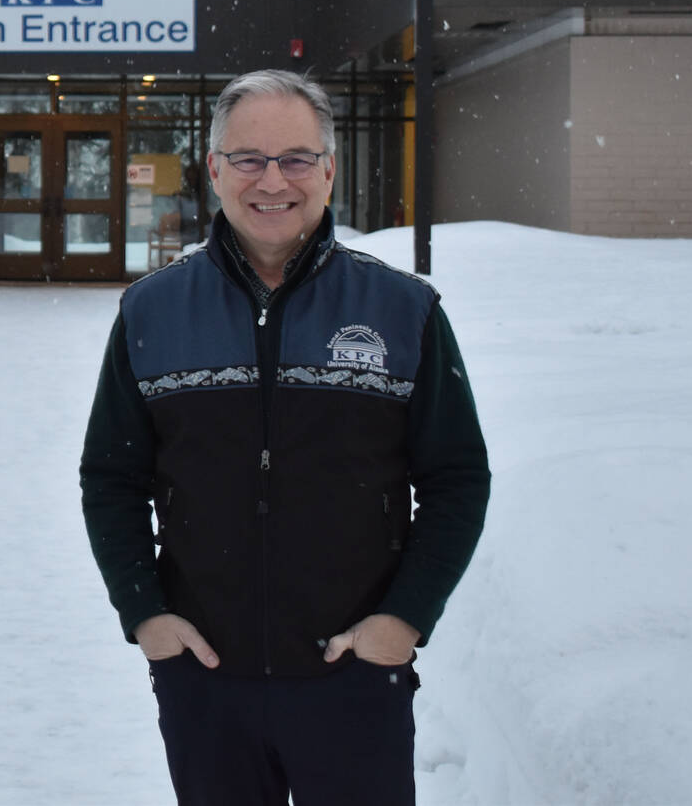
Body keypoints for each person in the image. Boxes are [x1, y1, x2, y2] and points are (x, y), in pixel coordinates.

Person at [79, 69, 490, 806]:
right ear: (214, 169)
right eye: (249, 158)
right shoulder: (152, 311)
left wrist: (403, 621)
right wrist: (144, 613)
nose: (274, 179)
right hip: (205, 686)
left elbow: (457, 476)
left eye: (297, 157)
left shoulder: (404, 311)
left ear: (329, 169)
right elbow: (111, 476)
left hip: (355, 681)